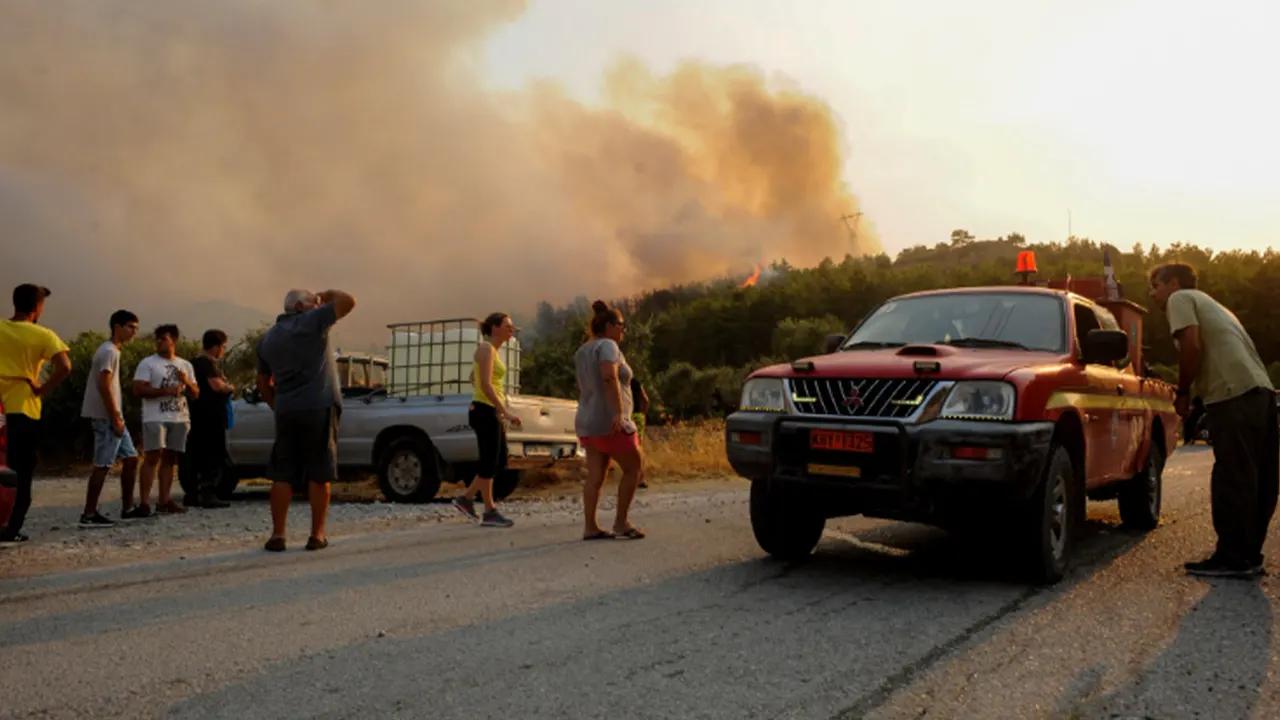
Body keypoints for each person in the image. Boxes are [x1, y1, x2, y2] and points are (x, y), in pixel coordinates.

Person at [1150, 263, 1278, 578]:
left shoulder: (1180, 300)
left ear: (1173, 283)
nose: (1153, 294)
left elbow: (1192, 346)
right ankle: (1248, 555)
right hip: (1260, 392)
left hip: (1232, 395)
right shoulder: (1217, 307)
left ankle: (1232, 558)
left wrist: (1181, 392)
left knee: (1231, 477)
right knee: (1258, 477)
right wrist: (1198, 398)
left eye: (1156, 285)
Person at [256, 288, 356, 552]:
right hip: (318, 406)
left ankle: (278, 535)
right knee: (319, 471)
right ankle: (317, 534)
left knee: (282, 472)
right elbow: (348, 301)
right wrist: (325, 294)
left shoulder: (268, 339)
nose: (318, 305)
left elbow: (263, 382)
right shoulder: (311, 322)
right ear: (300, 306)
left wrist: (277, 405)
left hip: (287, 409)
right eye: (313, 302)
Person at [0, 284, 72, 542]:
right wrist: (42, 389)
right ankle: (10, 528)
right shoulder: (44, 335)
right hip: (23, 408)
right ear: (37, 307)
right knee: (21, 469)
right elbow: (65, 366)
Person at [574, 300, 645, 541]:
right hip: (610, 421)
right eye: (622, 325)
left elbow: (582, 385)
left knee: (595, 476)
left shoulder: (583, 350)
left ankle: (590, 527)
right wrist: (618, 413)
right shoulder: (609, 346)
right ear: (610, 325)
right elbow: (608, 377)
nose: (624, 330)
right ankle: (621, 523)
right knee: (634, 468)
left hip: (587, 420)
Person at [451, 313, 522, 528]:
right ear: (494, 328)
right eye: (508, 326)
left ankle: (467, 499)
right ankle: (489, 509)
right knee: (490, 461)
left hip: (487, 409)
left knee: (498, 460)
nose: (512, 330)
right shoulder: (486, 349)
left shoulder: (491, 351)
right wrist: (505, 412)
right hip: (484, 411)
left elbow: (474, 378)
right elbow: (485, 384)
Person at [79, 310, 142, 526]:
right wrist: (115, 415)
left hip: (114, 416)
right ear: (117, 326)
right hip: (107, 416)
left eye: (136, 327)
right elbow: (103, 384)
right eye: (131, 327)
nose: (135, 332)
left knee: (132, 458)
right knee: (103, 464)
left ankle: (128, 508)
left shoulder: (113, 350)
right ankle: (89, 513)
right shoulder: (108, 351)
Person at [132, 324, 198, 515]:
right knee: (152, 456)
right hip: (155, 416)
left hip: (179, 416)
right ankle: (144, 503)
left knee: (170, 458)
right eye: (158, 339)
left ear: (174, 341)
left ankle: (164, 500)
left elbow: (196, 393)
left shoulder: (185, 365)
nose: (160, 342)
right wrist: (165, 391)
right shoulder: (148, 363)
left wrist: (185, 382)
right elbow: (138, 389)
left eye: (164, 339)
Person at [188, 329, 235, 509]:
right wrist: (230, 387)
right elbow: (217, 386)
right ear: (216, 347)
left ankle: (194, 494)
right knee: (212, 456)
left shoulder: (193, 362)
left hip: (197, 416)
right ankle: (208, 494)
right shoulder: (207, 364)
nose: (223, 351)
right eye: (223, 347)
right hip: (210, 418)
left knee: (197, 455)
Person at [630, 375, 650, 489]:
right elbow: (646, 400)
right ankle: (641, 478)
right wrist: (643, 414)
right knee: (639, 447)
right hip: (637, 415)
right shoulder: (635, 381)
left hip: (623, 416)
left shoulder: (614, 380)